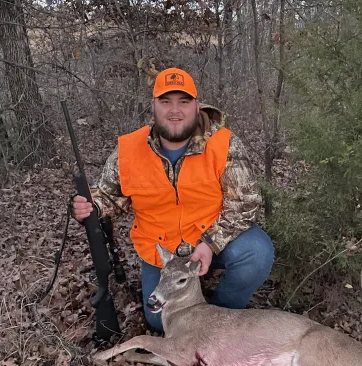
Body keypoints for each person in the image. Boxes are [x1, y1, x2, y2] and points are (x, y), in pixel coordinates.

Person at [72, 67, 274, 333]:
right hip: (161, 250)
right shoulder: (130, 150)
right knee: (158, 322)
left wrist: (210, 244)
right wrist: (90, 206)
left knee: (257, 254)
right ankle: (189, 307)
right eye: (166, 102)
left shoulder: (223, 144)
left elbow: (246, 203)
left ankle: (220, 317)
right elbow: (109, 196)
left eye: (184, 101)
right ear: (153, 106)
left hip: (211, 239)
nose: (175, 110)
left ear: (197, 105)